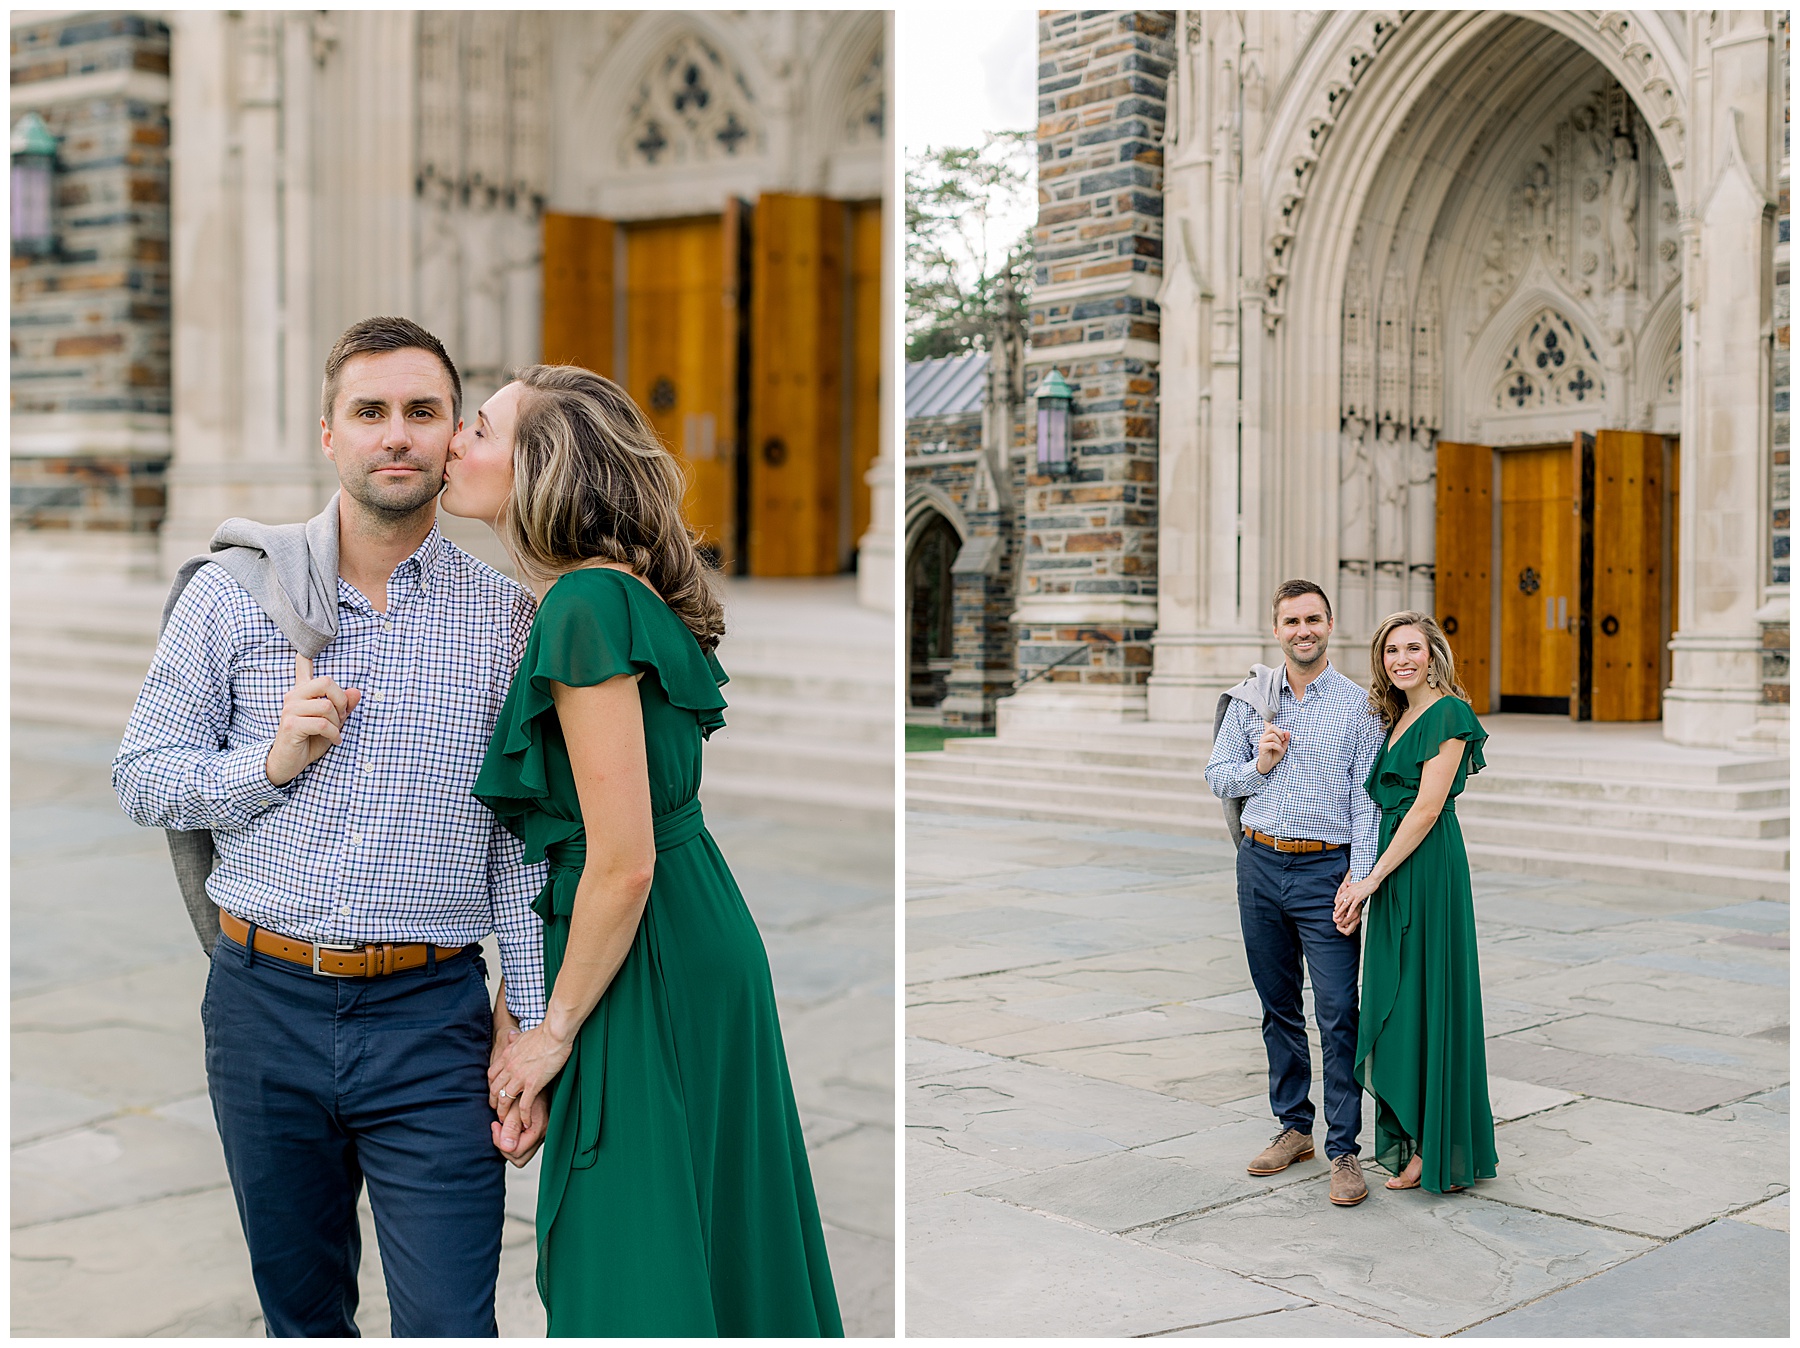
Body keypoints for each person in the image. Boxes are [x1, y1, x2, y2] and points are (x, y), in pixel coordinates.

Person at [113, 316, 547, 1335]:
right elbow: (142, 778)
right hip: (263, 1009)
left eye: (422, 412)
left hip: (430, 1020)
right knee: (302, 1318)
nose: (395, 434)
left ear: (452, 438)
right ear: (330, 434)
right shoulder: (230, 597)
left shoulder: (507, 620)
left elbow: (518, 845)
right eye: (370, 411)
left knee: (451, 1321)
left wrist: (524, 1019)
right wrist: (268, 765)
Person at [440, 364, 843, 1336]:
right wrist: (523, 1013)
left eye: (480, 428)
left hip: (646, 944)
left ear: (542, 465)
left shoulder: (584, 606)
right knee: (695, 1232)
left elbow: (620, 861)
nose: (455, 440)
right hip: (669, 934)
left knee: (625, 1256)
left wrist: (551, 1032)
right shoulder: (597, 598)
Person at [1204, 580, 1384, 1208]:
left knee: (1338, 1012)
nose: (1302, 629)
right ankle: (1293, 1128)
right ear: (1275, 628)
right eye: (1291, 620)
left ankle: (1344, 1151)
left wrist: (1358, 879)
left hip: (1324, 871)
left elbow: (1367, 802)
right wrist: (1259, 764)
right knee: (1277, 1006)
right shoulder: (1250, 701)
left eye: (1313, 619)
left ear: (1330, 625)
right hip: (1258, 865)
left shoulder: (1361, 707)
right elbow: (1215, 777)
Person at [1333, 611, 1498, 1194]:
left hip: (1426, 868)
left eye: (1412, 649)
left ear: (1434, 655)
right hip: (1393, 863)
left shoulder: (1449, 713)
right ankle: (1417, 1133)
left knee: (1429, 993)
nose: (1401, 660)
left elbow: (1426, 809)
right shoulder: (1397, 717)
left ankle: (1437, 1145)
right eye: (1390, 651)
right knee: (1398, 996)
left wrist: (1369, 881)